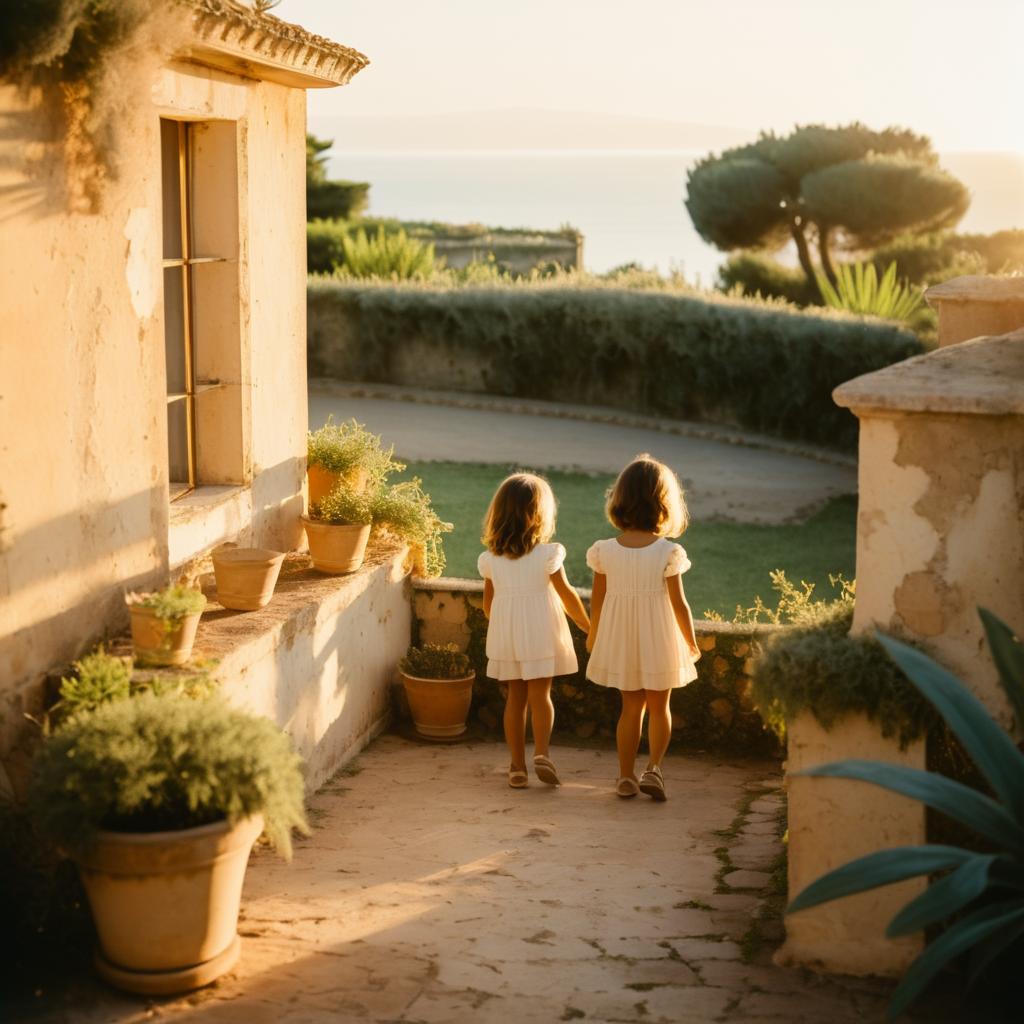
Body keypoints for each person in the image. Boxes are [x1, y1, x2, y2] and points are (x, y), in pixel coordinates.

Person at [585, 454, 700, 800]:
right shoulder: (668, 552)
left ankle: (624, 776)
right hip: (660, 636)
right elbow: (679, 604)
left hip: (621, 637)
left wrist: (594, 635)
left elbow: (598, 600)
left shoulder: (604, 551)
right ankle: (654, 768)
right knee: (659, 706)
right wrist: (691, 641)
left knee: (630, 708)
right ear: (664, 504)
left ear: (620, 500)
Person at [478, 473, 590, 788]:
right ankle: (542, 753)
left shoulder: (490, 559)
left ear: (498, 514)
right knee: (541, 696)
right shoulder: (548, 554)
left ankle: (516, 767)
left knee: (515, 698)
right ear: (540, 515)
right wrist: (588, 626)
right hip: (542, 632)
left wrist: (506, 628)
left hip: (509, 636)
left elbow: (489, 605)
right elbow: (567, 595)